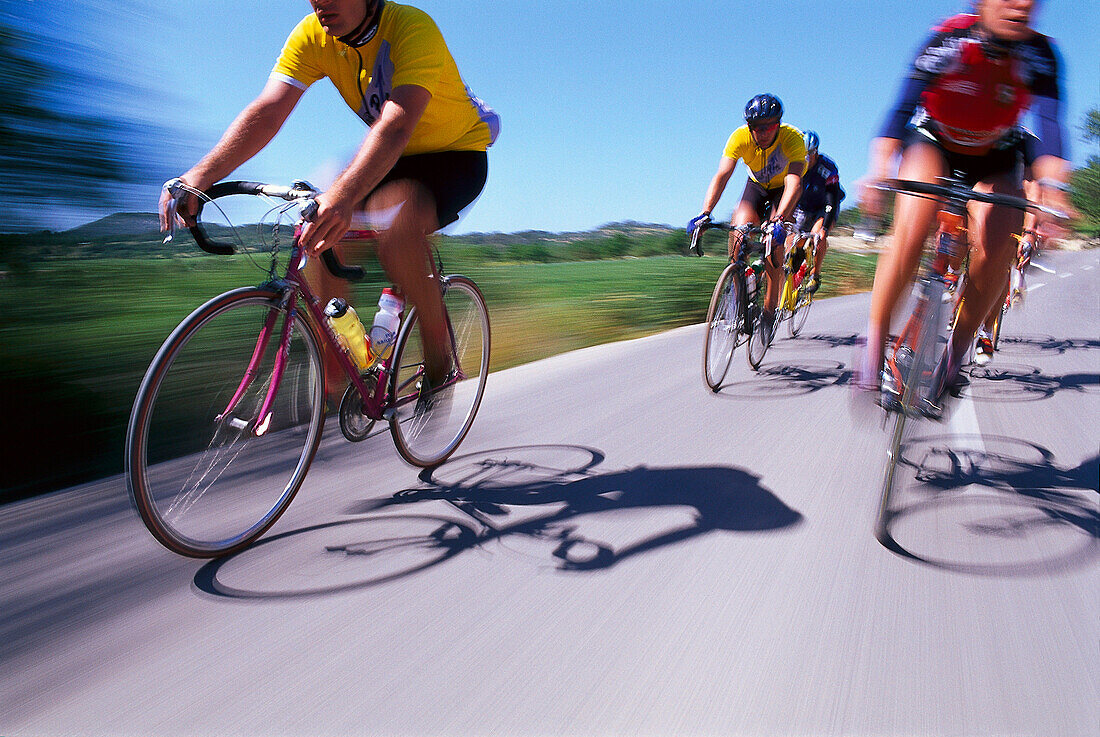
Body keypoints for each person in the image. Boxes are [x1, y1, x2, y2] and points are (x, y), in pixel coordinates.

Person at [159, 0, 499, 397]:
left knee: (399, 233)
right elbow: (269, 109)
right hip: (392, 154)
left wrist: (343, 195)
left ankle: (438, 352)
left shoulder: (412, 27)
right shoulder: (312, 36)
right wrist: (201, 175)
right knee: (315, 221)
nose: (321, 1)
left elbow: (396, 123)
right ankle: (341, 369)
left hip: (455, 154)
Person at [856, 0, 1074, 408]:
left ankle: (956, 353)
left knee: (999, 240)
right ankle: (873, 345)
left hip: (998, 150)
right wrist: (879, 169)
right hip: (936, 140)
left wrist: (1053, 191)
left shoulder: (1040, 53)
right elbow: (900, 111)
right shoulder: (950, 38)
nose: (1022, 4)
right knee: (913, 222)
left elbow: (1050, 130)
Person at [688, 94, 807, 341]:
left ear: (779, 124)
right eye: (757, 128)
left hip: (783, 193)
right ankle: (739, 295)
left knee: (774, 249)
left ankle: (769, 310)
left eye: (770, 127)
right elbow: (722, 175)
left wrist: (780, 219)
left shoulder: (792, 138)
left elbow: (794, 183)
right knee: (738, 233)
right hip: (756, 187)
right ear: (749, 127)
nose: (763, 133)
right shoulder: (739, 137)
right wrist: (705, 213)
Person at [791, 130, 845, 294]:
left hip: (825, 206)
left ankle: (815, 273)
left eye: (808, 154)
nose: (805, 159)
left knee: (817, 236)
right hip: (803, 206)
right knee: (793, 241)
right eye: (802, 154)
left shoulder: (827, 168)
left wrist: (825, 228)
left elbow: (831, 201)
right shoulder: (794, 164)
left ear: (815, 152)